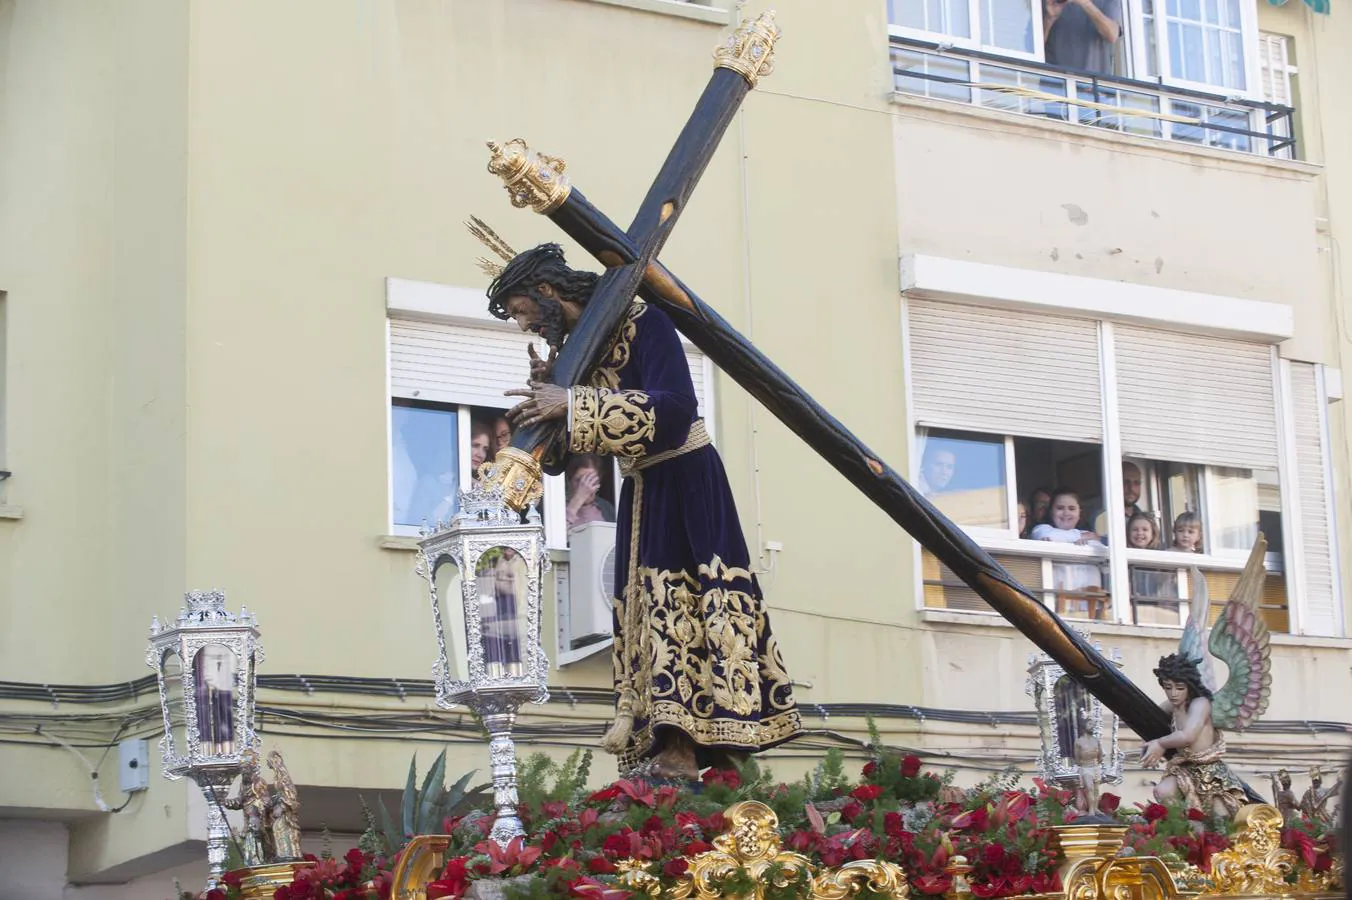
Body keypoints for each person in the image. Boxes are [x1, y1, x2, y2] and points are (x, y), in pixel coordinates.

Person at [490, 243, 801, 781]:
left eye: (521, 311)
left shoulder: (642, 321)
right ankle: (666, 741)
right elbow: (568, 456)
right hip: (643, 486)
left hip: (686, 478)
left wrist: (574, 404)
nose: (523, 326)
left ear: (547, 292)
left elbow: (677, 409)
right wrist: (543, 416)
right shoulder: (577, 354)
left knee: (685, 601)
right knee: (644, 610)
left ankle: (698, 745)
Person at [1142, 653, 1248, 820]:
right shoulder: (1173, 706)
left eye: (1179, 687)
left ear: (1190, 686)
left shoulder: (1200, 703)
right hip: (1186, 769)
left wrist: (1160, 744)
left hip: (1211, 773)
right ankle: (1183, 829)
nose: (1173, 693)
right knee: (1162, 791)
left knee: (1220, 818)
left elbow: (1188, 735)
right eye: (1168, 687)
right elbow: (1148, 716)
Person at [1032, 488, 1105, 616]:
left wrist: (1094, 539)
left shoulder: (1084, 534)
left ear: (1079, 512)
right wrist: (1084, 539)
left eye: (1072, 509)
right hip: (1054, 606)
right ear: (1051, 511)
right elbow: (1053, 537)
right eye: (1060, 508)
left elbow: (1101, 548)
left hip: (1087, 608)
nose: (1066, 513)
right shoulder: (1041, 529)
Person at [1043, 0, 1121, 75]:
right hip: (1055, 83)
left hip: (1094, 84)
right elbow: (1033, 46)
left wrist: (1085, 4)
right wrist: (1049, 19)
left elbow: (1112, 34)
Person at [1095, 461, 1145, 538]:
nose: (1131, 488)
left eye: (1136, 483)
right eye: (1125, 482)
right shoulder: (1100, 516)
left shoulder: (1145, 519)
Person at [565, 454, 616, 528]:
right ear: (570, 481)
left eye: (591, 479)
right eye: (579, 480)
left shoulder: (607, 509)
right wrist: (577, 500)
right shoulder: (558, 507)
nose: (586, 486)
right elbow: (556, 534)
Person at [1073, 716, 1102, 814]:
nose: (1092, 726)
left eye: (1093, 725)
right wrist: (1085, 763)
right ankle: (1091, 809)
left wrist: (1095, 762)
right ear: (1084, 726)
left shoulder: (1096, 740)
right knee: (1089, 787)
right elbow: (1077, 758)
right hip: (1086, 768)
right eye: (1090, 724)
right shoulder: (1079, 741)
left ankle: (1096, 808)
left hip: (1095, 767)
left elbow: (1100, 755)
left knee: (1096, 789)